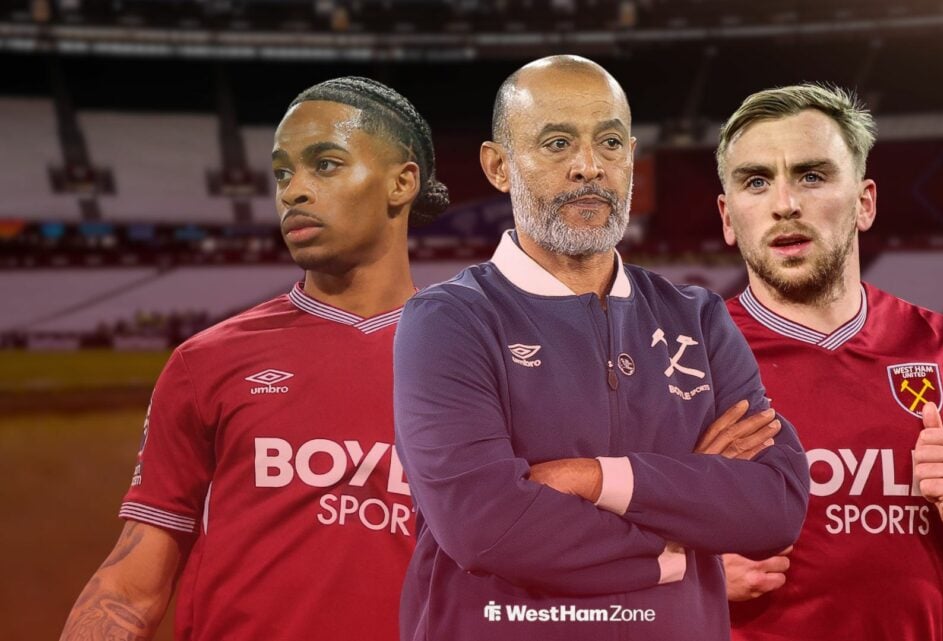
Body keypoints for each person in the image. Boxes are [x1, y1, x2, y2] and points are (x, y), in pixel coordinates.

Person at [392, 55, 810, 641]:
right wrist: (675, 543)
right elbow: (486, 527)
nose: (589, 167)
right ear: (498, 166)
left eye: (609, 142)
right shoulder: (447, 322)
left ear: (631, 156)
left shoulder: (699, 318)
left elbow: (776, 504)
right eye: (557, 143)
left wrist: (594, 479)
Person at [59, 76, 449, 641]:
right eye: (283, 173)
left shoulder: (473, 365)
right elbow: (132, 582)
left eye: (326, 164)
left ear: (402, 182)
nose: (293, 191)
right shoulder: (208, 362)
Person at [715, 83, 943, 640]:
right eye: (756, 181)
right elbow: (564, 559)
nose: (784, 203)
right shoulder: (682, 359)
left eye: (812, 175)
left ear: (864, 203)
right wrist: (681, 577)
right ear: (727, 216)